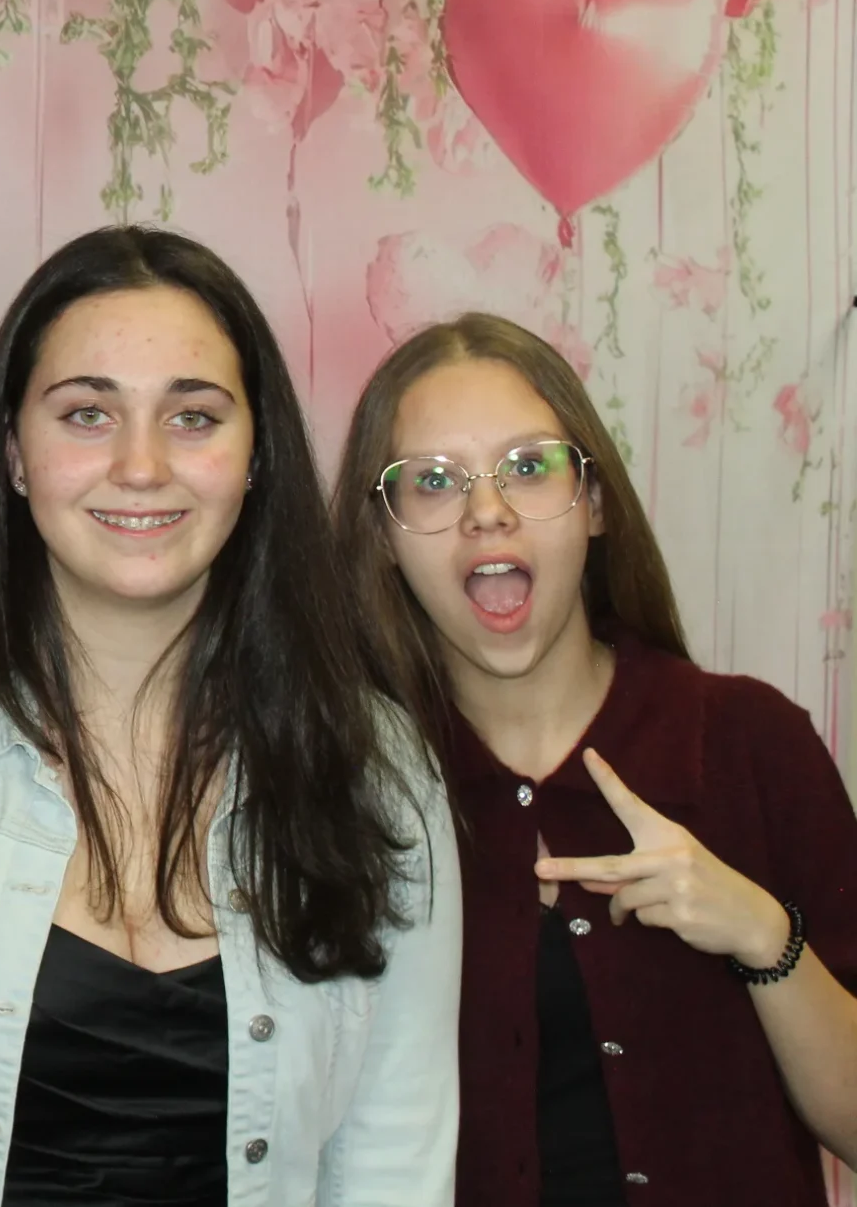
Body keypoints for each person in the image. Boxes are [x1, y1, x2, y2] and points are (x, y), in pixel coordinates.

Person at [0, 225, 460, 1206]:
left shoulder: (374, 766)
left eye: (192, 417)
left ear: (255, 456)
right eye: (87, 414)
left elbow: (394, 1158)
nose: (141, 465)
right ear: (14, 453)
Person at [331, 311, 857, 1205]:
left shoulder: (749, 741)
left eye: (529, 465)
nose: (487, 510)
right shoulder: (350, 789)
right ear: (381, 535)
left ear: (597, 501)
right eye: (434, 481)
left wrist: (764, 935)